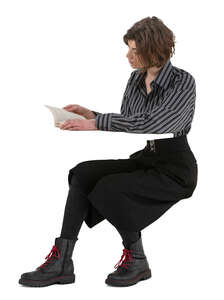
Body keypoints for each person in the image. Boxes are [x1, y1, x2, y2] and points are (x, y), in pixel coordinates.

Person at [19, 16, 198, 288]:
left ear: (154, 48)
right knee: (82, 173)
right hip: (147, 159)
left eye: (134, 50)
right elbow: (132, 122)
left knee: (109, 189)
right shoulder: (135, 80)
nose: (128, 56)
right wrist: (92, 115)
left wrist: (95, 123)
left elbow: (160, 123)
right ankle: (62, 262)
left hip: (175, 169)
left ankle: (137, 259)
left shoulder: (183, 82)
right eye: (128, 48)